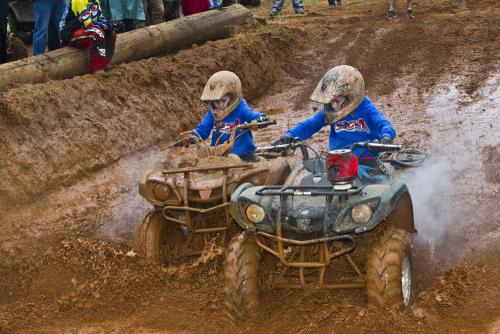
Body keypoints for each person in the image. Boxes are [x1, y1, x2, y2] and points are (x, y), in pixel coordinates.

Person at [273, 65, 395, 182]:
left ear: (351, 95)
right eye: (331, 101)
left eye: (337, 100)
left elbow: (384, 124)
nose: (334, 105)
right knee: (314, 183)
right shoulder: (330, 111)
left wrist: (386, 137)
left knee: (378, 185)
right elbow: (310, 124)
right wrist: (289, 136)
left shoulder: (365, 107)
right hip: (338, 162)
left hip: (366, 159)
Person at [183, 71, 270, 162]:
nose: (220, 105)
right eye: (216, 102)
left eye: (224, 101)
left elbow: (253, 115)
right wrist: (189, 137)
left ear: (232, 97)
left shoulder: (241, 107)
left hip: (243, 155)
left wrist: (261, 119)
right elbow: (203, 130)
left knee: (242, 161)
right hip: (220, 156)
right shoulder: (212, 113)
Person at [60, 0, 116, 73]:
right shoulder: (78, 1)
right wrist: (104, 25)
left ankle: (104, 63)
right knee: (97, 33)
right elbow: (87, 23)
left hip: (84, 29)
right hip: (69, 33)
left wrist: (109, 24)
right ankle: (97, 68)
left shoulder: (95, 1)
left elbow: (100, 18)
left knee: (111, 32)